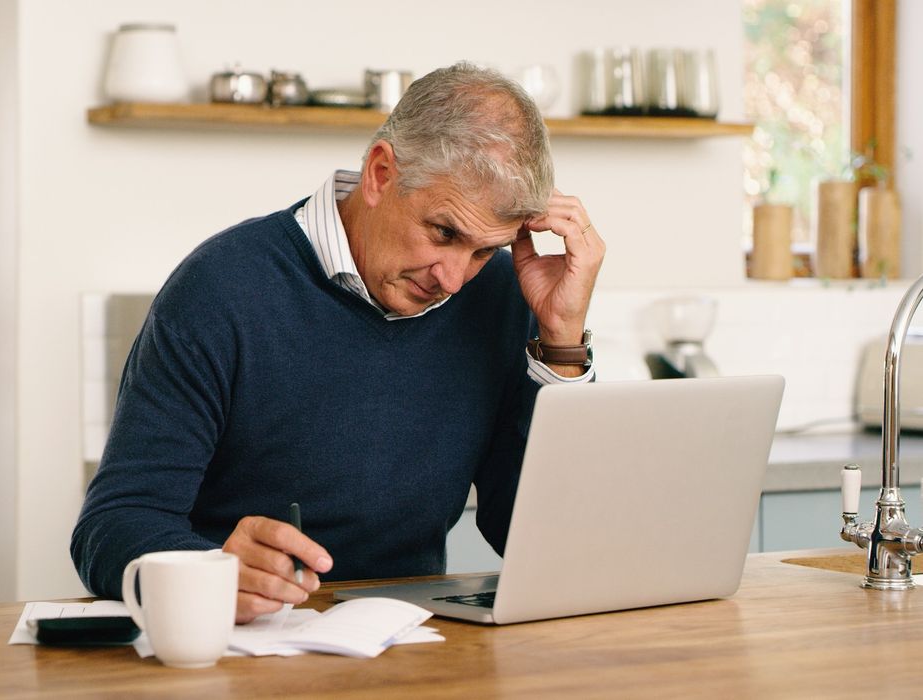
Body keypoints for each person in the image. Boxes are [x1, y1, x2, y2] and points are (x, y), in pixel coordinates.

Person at [70, 62, 605, 624]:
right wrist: (210, 570)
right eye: (443, 233)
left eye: (481, 251)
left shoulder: (499, 294)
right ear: (379, 173)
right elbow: (113, 524)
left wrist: (562, 341)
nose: (452, 278)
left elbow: (546, 543)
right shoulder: (221, 287)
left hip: (416, 649)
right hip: (243, 647)